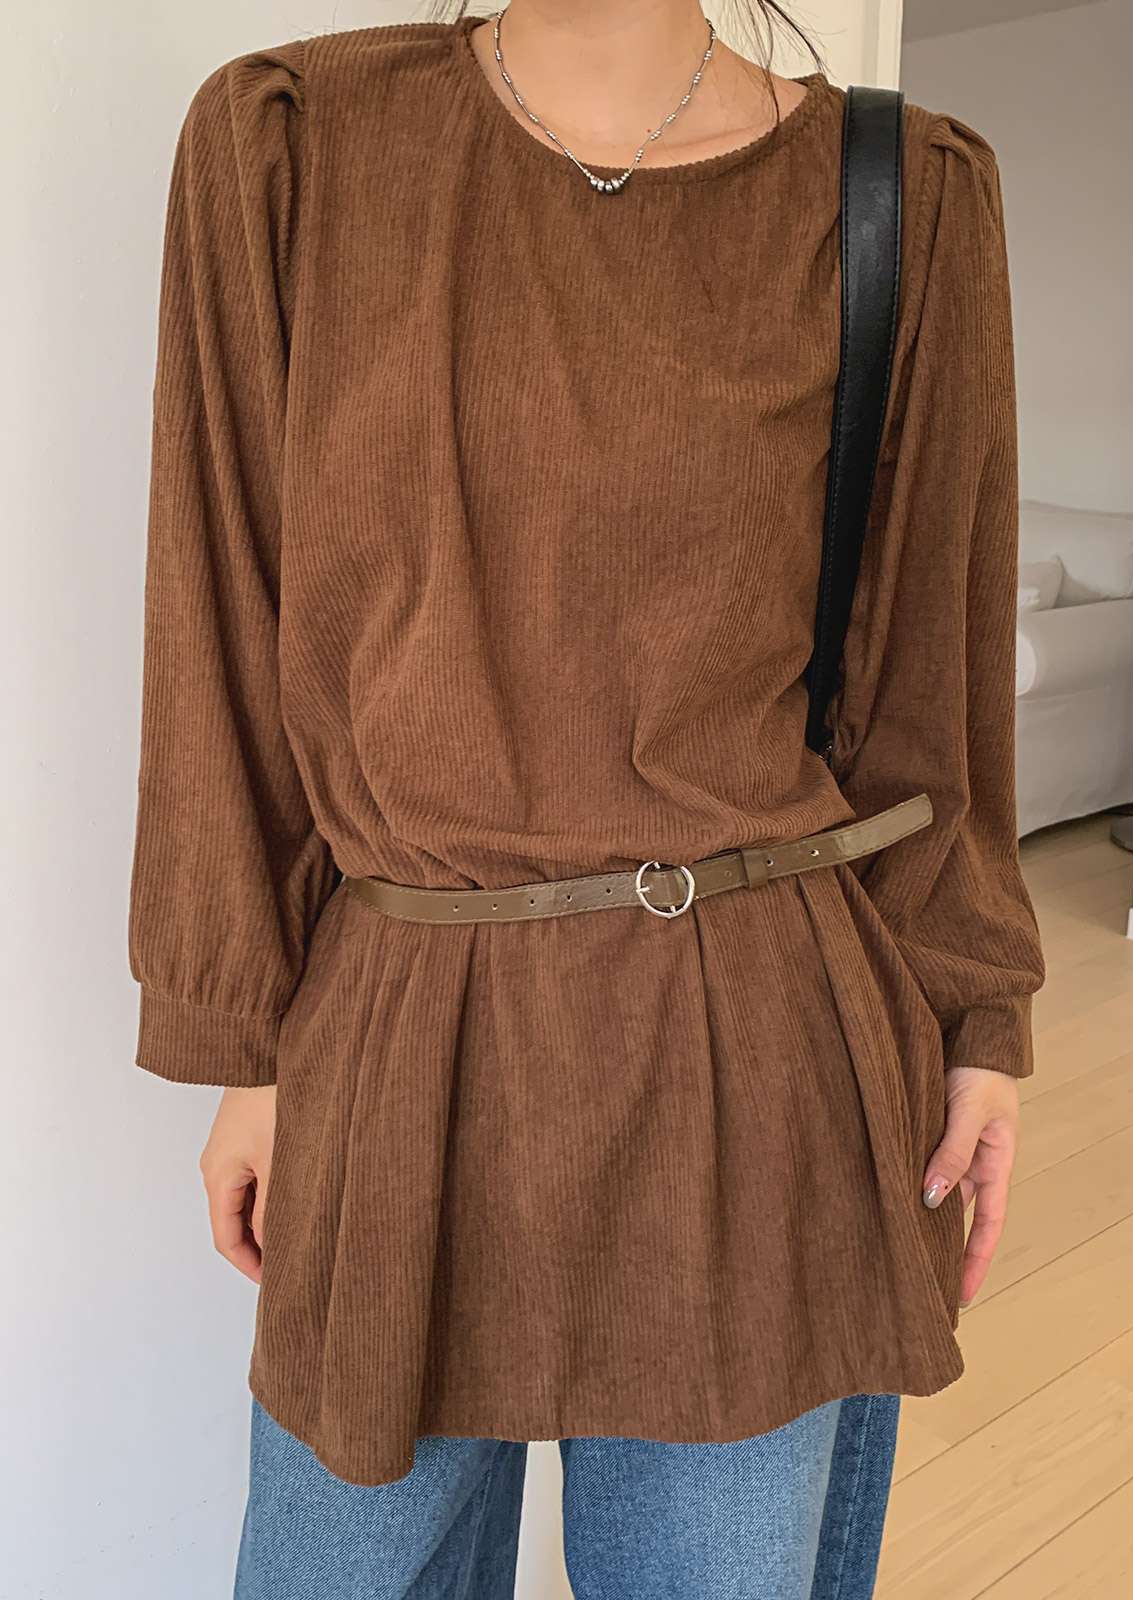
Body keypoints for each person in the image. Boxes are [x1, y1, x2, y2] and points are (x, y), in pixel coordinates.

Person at [127, 1, 1046, 1594]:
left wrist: (976, 1008)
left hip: (758, 1049)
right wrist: (246, 1038)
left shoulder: (904, 196)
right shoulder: (289, 145)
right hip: (403, 1028)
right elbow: (218, 611)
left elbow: (928, 674)